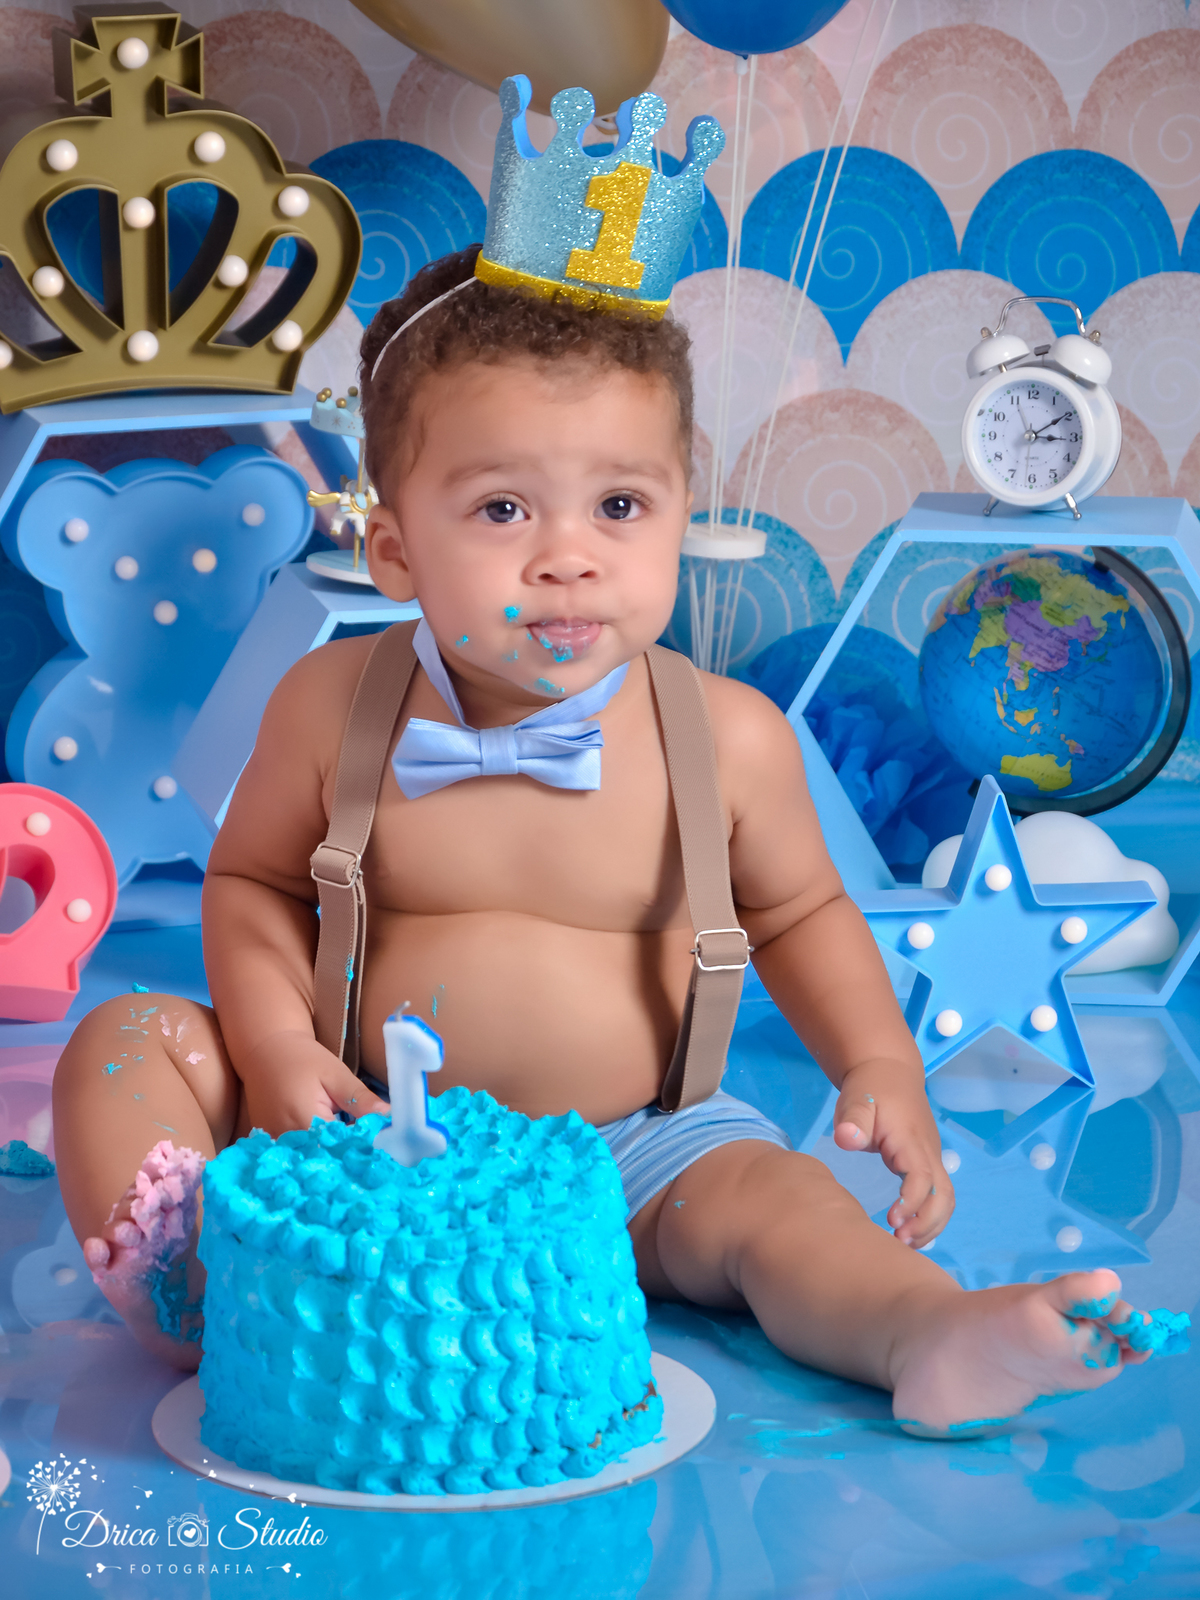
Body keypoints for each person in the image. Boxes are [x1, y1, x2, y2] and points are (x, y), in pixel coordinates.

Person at [54, 244, 1151, 1431]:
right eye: (503, 508)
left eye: (620, 505)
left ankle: (926, 1330)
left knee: (781, 1207)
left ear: (680, 514)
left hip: (638, 1150)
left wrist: (875, 1063)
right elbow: (255, 882)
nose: (568, 554)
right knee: (123, 1042)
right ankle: (214, 1297)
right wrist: (272, 1051)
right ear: (396, 551)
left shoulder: (724, 737)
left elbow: (801, 913)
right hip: (354, 1128)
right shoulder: (333, 704)